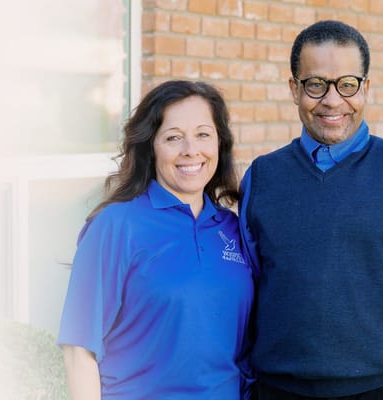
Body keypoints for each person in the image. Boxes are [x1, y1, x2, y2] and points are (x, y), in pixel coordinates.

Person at [240, 20, 383, 400]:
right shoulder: (262, 177)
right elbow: (250, 292)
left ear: (366, 88)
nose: (332, 100)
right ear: (294, 89)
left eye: (347, 84)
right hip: (278, 390)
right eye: (316, 84)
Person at [56, 80, 254, 399]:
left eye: (203, 134)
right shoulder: (115, 226)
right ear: (151, 146)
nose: (191, 149)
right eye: (174, 137)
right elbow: (79, 351)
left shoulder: (232, 228)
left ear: (220, 143)